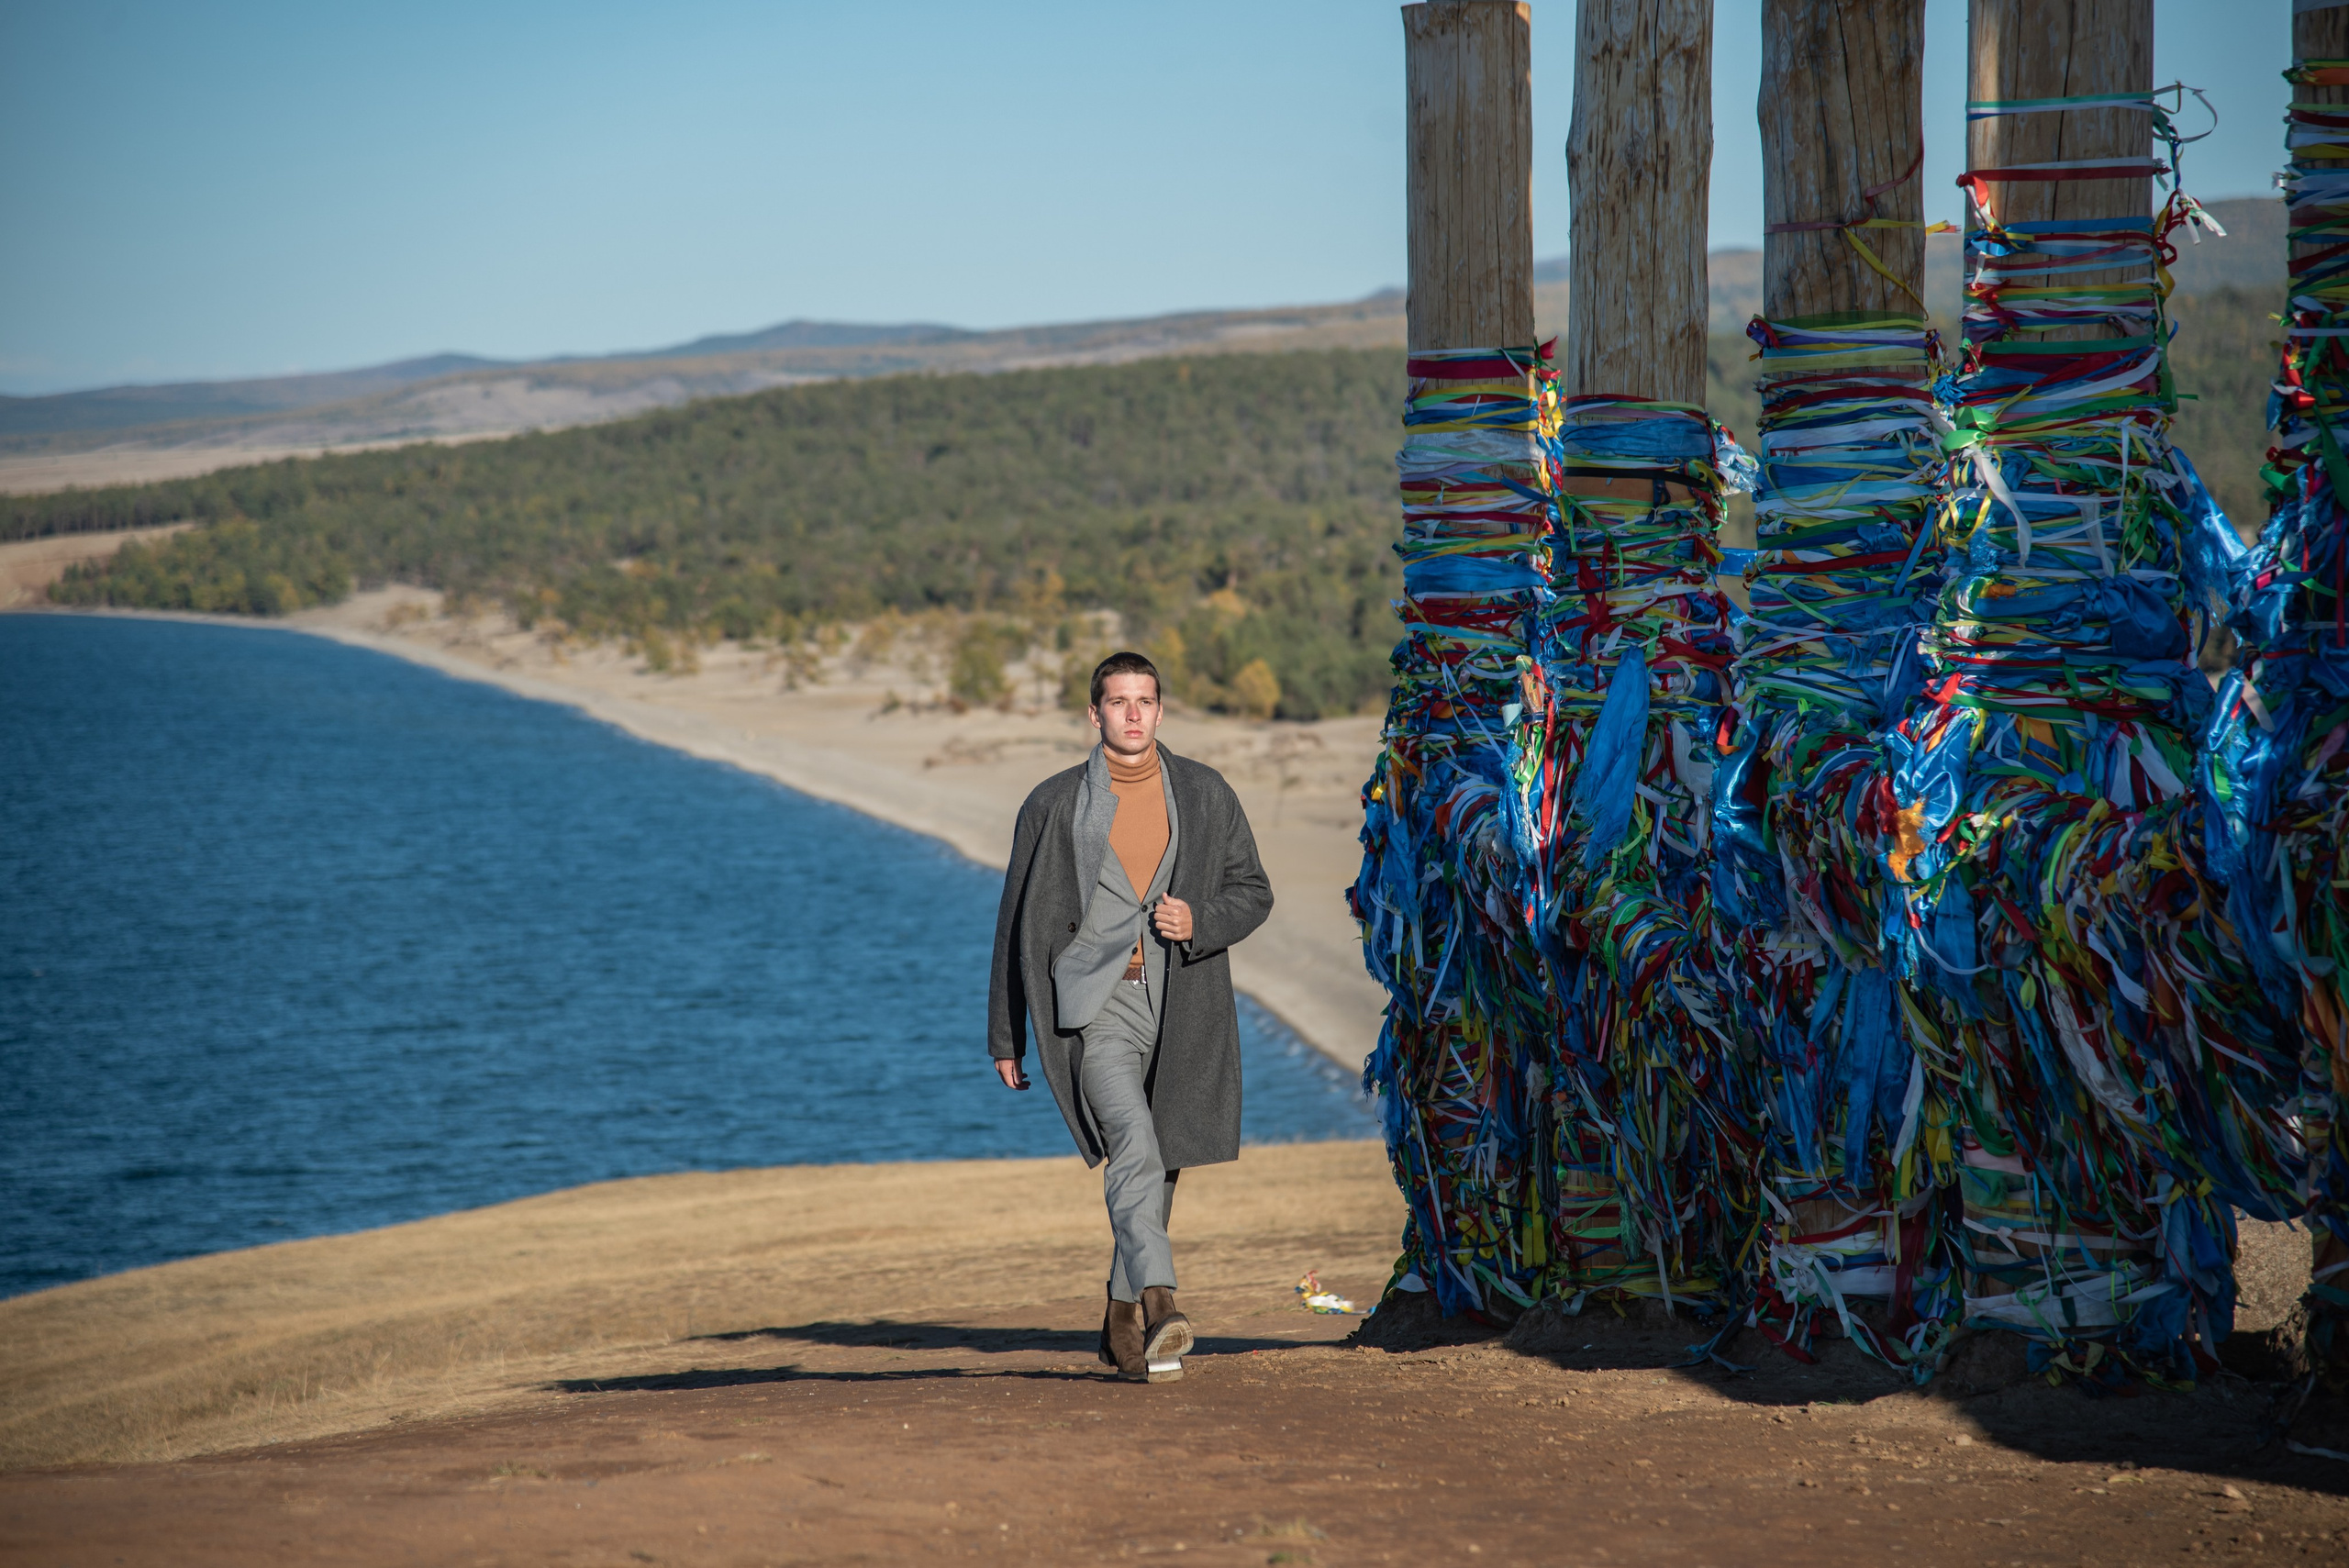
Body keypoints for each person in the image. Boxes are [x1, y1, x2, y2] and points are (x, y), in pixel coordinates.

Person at [987, 650, 1273, 1383]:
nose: (1134, 713)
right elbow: (1014, 920)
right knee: (1136, 1143)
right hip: (1093, 1009)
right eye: (1119, 701)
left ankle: (1120, 1326)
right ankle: (1160, 1302)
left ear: (1161, 710)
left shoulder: (1205, 794)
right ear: (1095, 713)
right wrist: (1006, 1032)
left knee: (1159, 1158)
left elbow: (1254, 890)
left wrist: (1198, 917)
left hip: (1182, 1003)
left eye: (1146, 699)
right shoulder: (1052, 804)